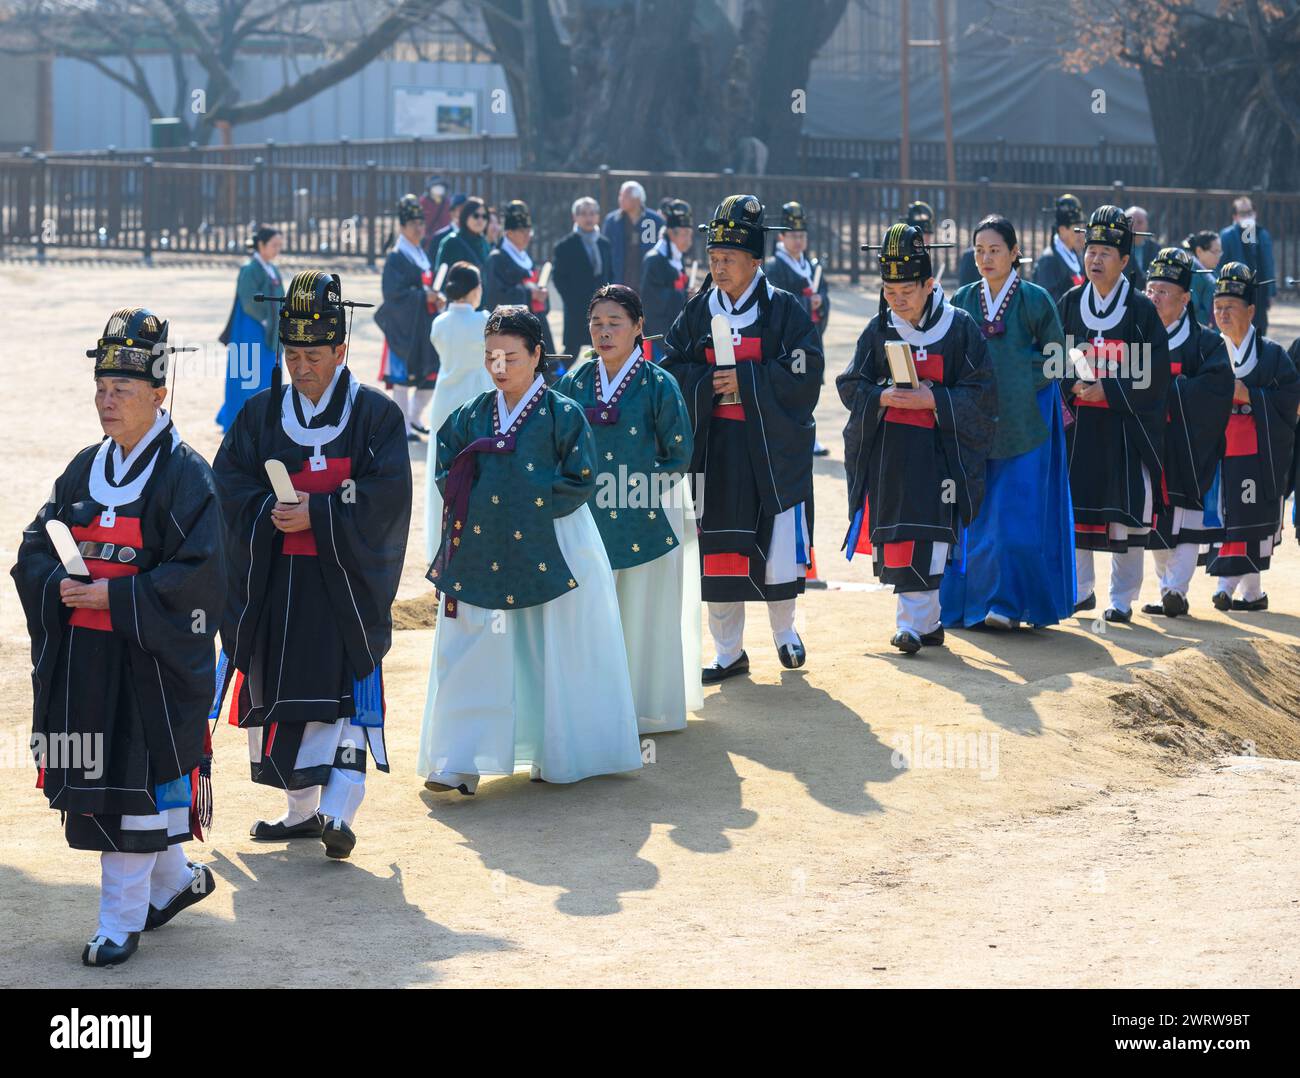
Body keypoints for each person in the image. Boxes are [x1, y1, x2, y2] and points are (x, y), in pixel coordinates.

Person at [12, 308, 225, 966]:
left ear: (159, 396)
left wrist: (119, 595)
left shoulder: (186, 476)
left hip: (148, 667)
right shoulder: (83, 469)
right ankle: (175, 882)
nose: (107, 400)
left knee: (131, 797)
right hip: (87, 663)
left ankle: (117, 922)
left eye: (122, 390)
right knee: (117, 793)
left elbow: (201, 576)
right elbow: (34, 547)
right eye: (101, 387)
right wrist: (60, 587)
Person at [213, 270, 411, 860]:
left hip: (341, 585)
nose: (302, 367)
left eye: (315, 355)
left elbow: (388, 496)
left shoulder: (376, 415)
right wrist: (268, 511)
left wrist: (320, 514)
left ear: (342, 351)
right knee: (278, 692)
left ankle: (341, 808)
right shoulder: (259, 414)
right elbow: (228, 485)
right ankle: (300, 811)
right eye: (293, 353)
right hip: (276, 582)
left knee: (342, 697)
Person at [419, 306, 642, 793]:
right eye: (490, 357)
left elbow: (581, 477)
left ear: (538, 355)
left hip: (554, 539)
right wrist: (481, 506)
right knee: (474, 641)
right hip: (481, 542)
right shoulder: (471, 414)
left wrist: (525, 504)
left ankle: (557, 751)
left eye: (511, 357)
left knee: (555, 646)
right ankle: (461, 759)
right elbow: (445, 469)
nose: (499, 367)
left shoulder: (564, 414)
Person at [661, 194, 823, 681]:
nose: (720, 266)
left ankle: (784, 632)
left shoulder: (784, 311)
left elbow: (806, 369)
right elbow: (671, 366)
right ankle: (727, 649)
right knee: (720, 549)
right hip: (716, 448)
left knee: (775, 546)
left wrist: (748, 381)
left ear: (756, 260)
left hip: (770, 448)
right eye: (713, 258)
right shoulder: (696, 311)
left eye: (729, 259)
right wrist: (706, 384)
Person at [838, 224, 997, 653]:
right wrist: (883, 395)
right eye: (890, 291)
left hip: (941, 453)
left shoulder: (959, 328)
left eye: (907, 290)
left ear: (930, 284)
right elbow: (851, 384)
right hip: (892, 452)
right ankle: (923, 623)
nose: (898, 300)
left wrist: (934, 400)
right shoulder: (878, 329)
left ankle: (912, 624)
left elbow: (983, 393)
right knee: (900, 534)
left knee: (931, 534)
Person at [556, 284, 701, 733]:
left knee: (643, 617)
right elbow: (556, 444)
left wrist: (640, 489)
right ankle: (593, 710)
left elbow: (678, 454)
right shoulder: (575, 381)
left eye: (615, 323)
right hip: (586, 517)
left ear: (639, 328)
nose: (604, 332)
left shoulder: (660, 383)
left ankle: (642, 710)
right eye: (597, 323)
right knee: (588, 617)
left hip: (646, 514)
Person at [941, 215, 1075, 630]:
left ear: (1015, 253)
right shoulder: (962, 299)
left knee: (1016, 522)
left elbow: (1057, 358)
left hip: (1025, 425)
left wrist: (1015, 374)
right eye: (979, 250)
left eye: (995, 250)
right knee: (976, 519)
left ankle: (1011, 604)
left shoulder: (1035, 299)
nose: (985, 258)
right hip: (975, 426)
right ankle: (977, 605)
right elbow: (948, 353)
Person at [1060, 205, 1171, 622]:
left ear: (1125, 260)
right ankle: (1079, 590)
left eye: (1106, 252)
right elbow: (1056, 357)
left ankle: (1122, 598)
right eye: (1091, 250)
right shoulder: (1071, 302)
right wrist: (1071, 383)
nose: (1095, 259)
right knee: (1078, 507)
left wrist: (1110, 389)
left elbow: (1155, 372)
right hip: (1082, 424)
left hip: (1126, 427)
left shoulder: (1141, 310)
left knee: (1127, 512)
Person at [1139, 247, 1233, 617]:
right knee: (1154, 517)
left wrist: (1169, 391)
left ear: (1185, 298)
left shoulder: (1206, 343)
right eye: (1151, 290)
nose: (1155, 297)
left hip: (1191, 444)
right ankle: (1167, 587)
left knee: (1187, 513)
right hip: (1151, 440)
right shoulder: (1139, 338)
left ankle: (1176, 588)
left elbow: (1216, 389)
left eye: (1163, 291)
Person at [1202, 262, 1299, 611]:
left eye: (1230, 307)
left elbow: (1290, 399)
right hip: (1219, 446)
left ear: (1251, 310)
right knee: (1225, 516)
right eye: (1218, 307)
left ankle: (1228, 586)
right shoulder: (1209, 348)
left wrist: (1250, 397)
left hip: (1257, 449)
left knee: (1248, 518)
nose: (1222, 314)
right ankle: (1252, 594)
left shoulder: (1272, 354)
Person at [425, 262, 493, 562]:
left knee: (442, 470)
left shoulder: (439, 322)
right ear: (475, 289)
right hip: (476, 395)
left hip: (444, 398)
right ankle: (475, 538)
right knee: (478, 469)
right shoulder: (485, 320)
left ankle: (439, 543)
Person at [764, 200, 833, 456]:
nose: (798, 241)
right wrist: (806, 300)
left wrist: (820, 302)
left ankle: (808, 433)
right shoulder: (774, 267)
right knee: (786, 386)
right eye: (793, 235)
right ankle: (785, 435)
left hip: (810, 336)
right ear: (781, 236)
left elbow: (823, 294)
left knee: (809, 385)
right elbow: (777, 303)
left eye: (802, 235)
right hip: (787, 340)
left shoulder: (812, 266)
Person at [375, 194, 444, 441]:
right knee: (402, 377)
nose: (419, 228)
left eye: (421, 223)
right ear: (402, 227)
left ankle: (414, 416)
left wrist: (436, 297)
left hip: (423, 322)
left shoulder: (420, 254)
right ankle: (402, 425)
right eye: (414, 223)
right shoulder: (396, 256)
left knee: (431, 374)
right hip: (403, 323)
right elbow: (393, 294)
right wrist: (422, 296)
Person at [217, 226, 283, 431]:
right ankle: (240, 418)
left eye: (279, 245)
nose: (277, 249)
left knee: (267, 372)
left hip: (268, 331)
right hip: (250, 330)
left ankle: (262, 416)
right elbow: (249, 301)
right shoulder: (249, 269)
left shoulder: (272, 269)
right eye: (274, 245)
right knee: (247, 374)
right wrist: (266, 321)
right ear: (261, 245)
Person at [484, 199, 555, 354]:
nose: (527, 236)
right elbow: (494, 296)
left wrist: (542, 294)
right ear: (509, 233)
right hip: (511, 330)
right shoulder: (497, 259)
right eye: (522, 231)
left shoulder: (525, 258)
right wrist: (530, 293)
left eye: (529, 231)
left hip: (535, 323)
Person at [552, 196, 612, 356]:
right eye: (584, 214)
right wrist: (570, 299)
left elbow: (610, 273)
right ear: (575, 217)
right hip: (576, 307)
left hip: (601, 307)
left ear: (598, 216)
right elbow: (558, 277)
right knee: (571, 351)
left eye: (592, 213)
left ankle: (596, 380)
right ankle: (557, 377)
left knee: (600, 350)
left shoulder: (604, 243)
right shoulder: (565, 245)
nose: (589, 218)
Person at [641, 198, 695, 355]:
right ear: (671, 233)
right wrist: (683, 295)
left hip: (675, 329)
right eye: (685, 234)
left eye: (690, 235)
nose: (689, 240)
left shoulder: (677, 258)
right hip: (659, 332)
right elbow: (651, 300)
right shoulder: (654, 260)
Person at [1219, 196, 1276, 337]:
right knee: (1239, 325)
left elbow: (1268, 264)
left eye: (1250, 212)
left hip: (1258, 289)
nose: (1247, 216)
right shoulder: (1227, 235)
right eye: (1242, 213)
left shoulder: (1262, 234)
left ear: (1255, 213)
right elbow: (1220, 264)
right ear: (1235, 216)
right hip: (1236, 288)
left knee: (1260, 325)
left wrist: (1271, 291)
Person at [602, 180, 664, 292]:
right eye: (620, 195)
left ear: (637, 200)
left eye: (625, 196)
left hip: (647, 283)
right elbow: (604, 252)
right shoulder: (612, 221)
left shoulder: (654, 221)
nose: (620, 199)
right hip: (618, 281)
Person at [1034, 193, 1086, 305]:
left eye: (1082, 229)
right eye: (1076, 229)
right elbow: (1049, 302)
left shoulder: (1075, 254)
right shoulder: (1048, 260)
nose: (1081, 234)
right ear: (1062, 230)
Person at [435, 197, 493, 284]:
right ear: (466, 216)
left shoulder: (485, 243)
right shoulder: (452, 242)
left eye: (484, 216)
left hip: (482, 296)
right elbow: (442, 279)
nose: (480, 220)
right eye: (476, 215)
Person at [1183, 230, 1222, 328]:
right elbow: (1192, 306)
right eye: (1215, 252)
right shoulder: (1193, 273)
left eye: (1220, 252)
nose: (1218, 256)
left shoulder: (1211, 271)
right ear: (1199, 251)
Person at [1124, 205, 1155, 291]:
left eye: (1140, 222)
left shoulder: (1155, 248)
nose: (1135, 226)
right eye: (1131, 223)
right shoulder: (1118, 249)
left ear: (1147, 225)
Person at [419, 175, 453, 249]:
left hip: (445, 241)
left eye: (440, 186)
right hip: (429, 242)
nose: (439, 188)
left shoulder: (447, 203)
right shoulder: (423, 202)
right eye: (436, 186)